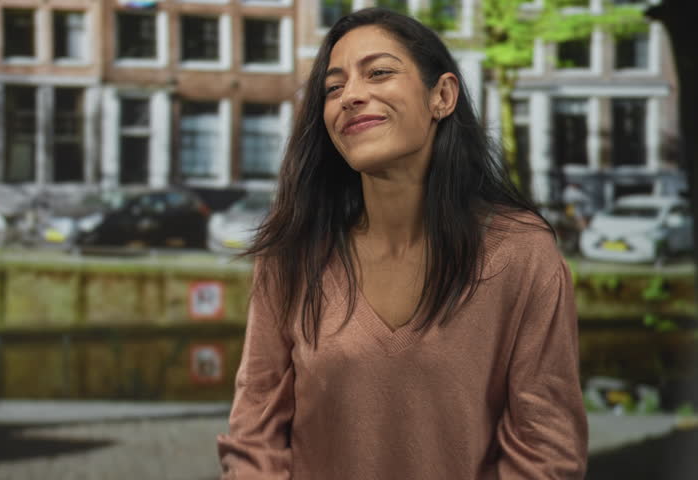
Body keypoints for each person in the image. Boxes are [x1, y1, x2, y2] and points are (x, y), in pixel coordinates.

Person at [217, 8, 587, 479]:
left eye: (378, 73)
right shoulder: (292, 255)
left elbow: (546, 451)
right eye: (333, 87)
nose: (351, 96)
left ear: (442, 96)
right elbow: (255, 440)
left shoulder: (522, 254)